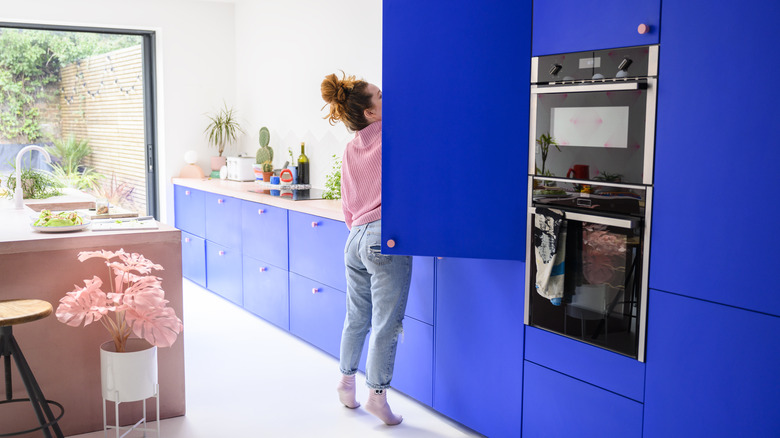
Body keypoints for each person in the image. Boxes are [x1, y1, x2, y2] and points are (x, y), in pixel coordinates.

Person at [320, 72, 412, 426]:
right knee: (386, 323)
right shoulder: (393, 136)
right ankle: (377, 396)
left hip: (355, 237)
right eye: (381, 96)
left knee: (357, 318)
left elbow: (347, 204)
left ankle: (346, 383)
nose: (387, 98)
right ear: (371, 113)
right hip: (383, 237)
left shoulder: (351, 147)